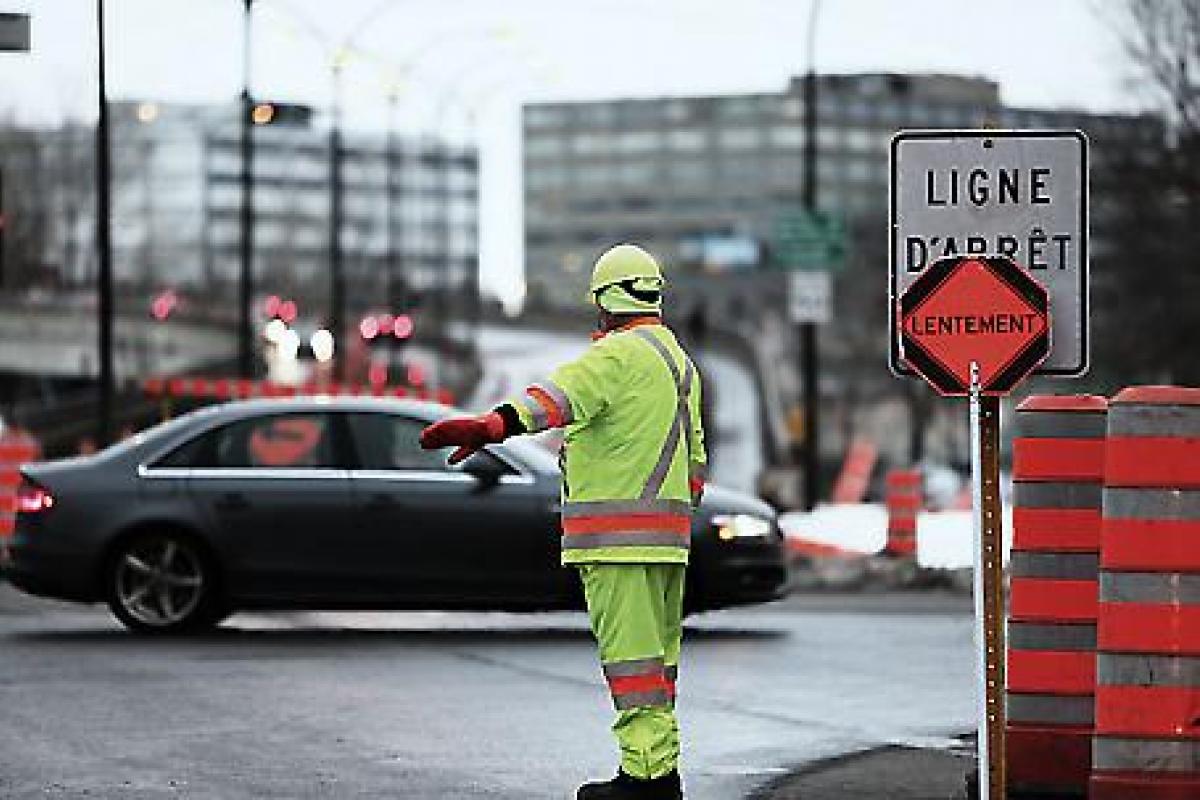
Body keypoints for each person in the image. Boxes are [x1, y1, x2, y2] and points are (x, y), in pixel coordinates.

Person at [419, 243, 706, 800]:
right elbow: (695, 456)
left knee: (630, 665)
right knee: (656, 667)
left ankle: (644, 782)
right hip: (667, 541)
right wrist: (672, 514)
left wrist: (489, 426)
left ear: (603, 299)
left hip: (617, 544)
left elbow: (553, 399)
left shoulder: (617, 356)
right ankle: (658, 771)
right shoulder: (679, 364)